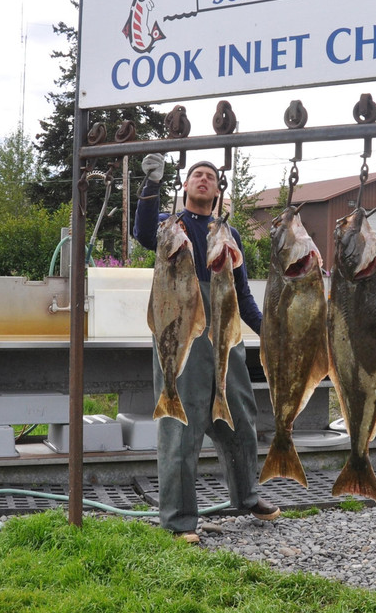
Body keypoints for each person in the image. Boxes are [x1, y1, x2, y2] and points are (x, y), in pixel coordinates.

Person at [133, 155, 280, 544]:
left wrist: (269, 331)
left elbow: (243, 296)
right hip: (181, 335)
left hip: (225, 335)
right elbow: (143, 233)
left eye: (210, 177)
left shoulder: (229, 236)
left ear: (218, 190)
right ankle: (180, 520)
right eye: (197, 175)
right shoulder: (171, 228)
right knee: (181, 427)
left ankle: (247, 496)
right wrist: (151, 185)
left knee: (240, 416)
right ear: (185, 186)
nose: (203, 180)